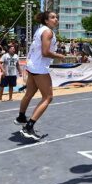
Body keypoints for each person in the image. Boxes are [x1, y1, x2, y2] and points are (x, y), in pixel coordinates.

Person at [16, 11, 67, 140]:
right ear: (46, 20)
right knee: (48, 97)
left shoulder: (41, 30)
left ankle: (21, 117)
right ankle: (28, 127)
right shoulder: (48, 32)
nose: (56, 19)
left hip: (32, 65)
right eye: (53, 17)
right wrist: (59, 56)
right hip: (39, 67)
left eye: (57, 17)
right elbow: (45, 52)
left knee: (29, 93)